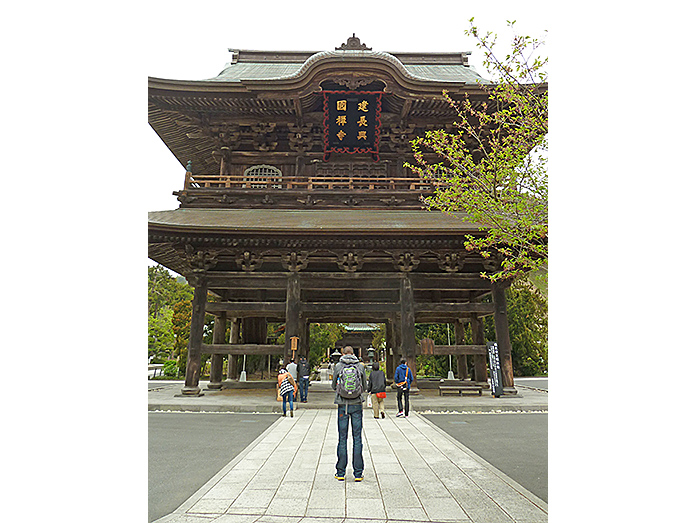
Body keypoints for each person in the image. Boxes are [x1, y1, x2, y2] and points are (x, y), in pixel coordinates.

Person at [332, 346, 367, 482]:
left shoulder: (338, 366)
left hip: (342, 405)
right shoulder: (360, 366)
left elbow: (334, 385)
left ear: (342, 353)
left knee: (342, 438)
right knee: (357, 438)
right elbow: (364, 385)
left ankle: (341, 472)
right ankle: (358, 473)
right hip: (357, 404)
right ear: (354, 353)